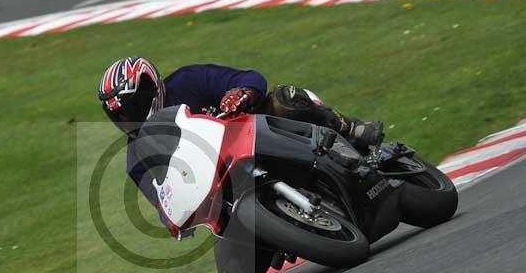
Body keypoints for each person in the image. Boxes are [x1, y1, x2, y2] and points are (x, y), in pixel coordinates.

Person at [97, 56, 383, 211]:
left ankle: (351, 129)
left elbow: (248, 77)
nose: (128, 119)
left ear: (150, 88)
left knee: (286, 99)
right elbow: (165, 206)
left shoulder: (188, 80)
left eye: (131, 108)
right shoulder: (137, 157)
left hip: (257, 132)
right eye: (119, 115)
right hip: (224, 188)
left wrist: (240, 93)